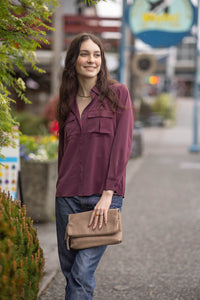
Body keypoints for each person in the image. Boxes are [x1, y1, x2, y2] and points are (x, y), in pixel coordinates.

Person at [55, 32, 134, 300]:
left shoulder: (118, 94)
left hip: (102, 198)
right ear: (74, 60)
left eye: (97, 54)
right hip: (67, 198)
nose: (92, 60)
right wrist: (60, 190)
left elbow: (122, 147)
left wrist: (108, 196)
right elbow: (63, 151)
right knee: (70, 272)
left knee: (82, 273)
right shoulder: (65, 101)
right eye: (85, 54)